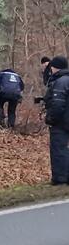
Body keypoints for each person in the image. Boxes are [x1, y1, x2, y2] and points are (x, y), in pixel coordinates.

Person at [43, 56, 69, 185]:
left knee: (59, 149)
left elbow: (58, 104)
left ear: (54, 67)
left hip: (61, 122)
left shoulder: (60, 82)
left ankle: (60, 178)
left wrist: (50, 118)